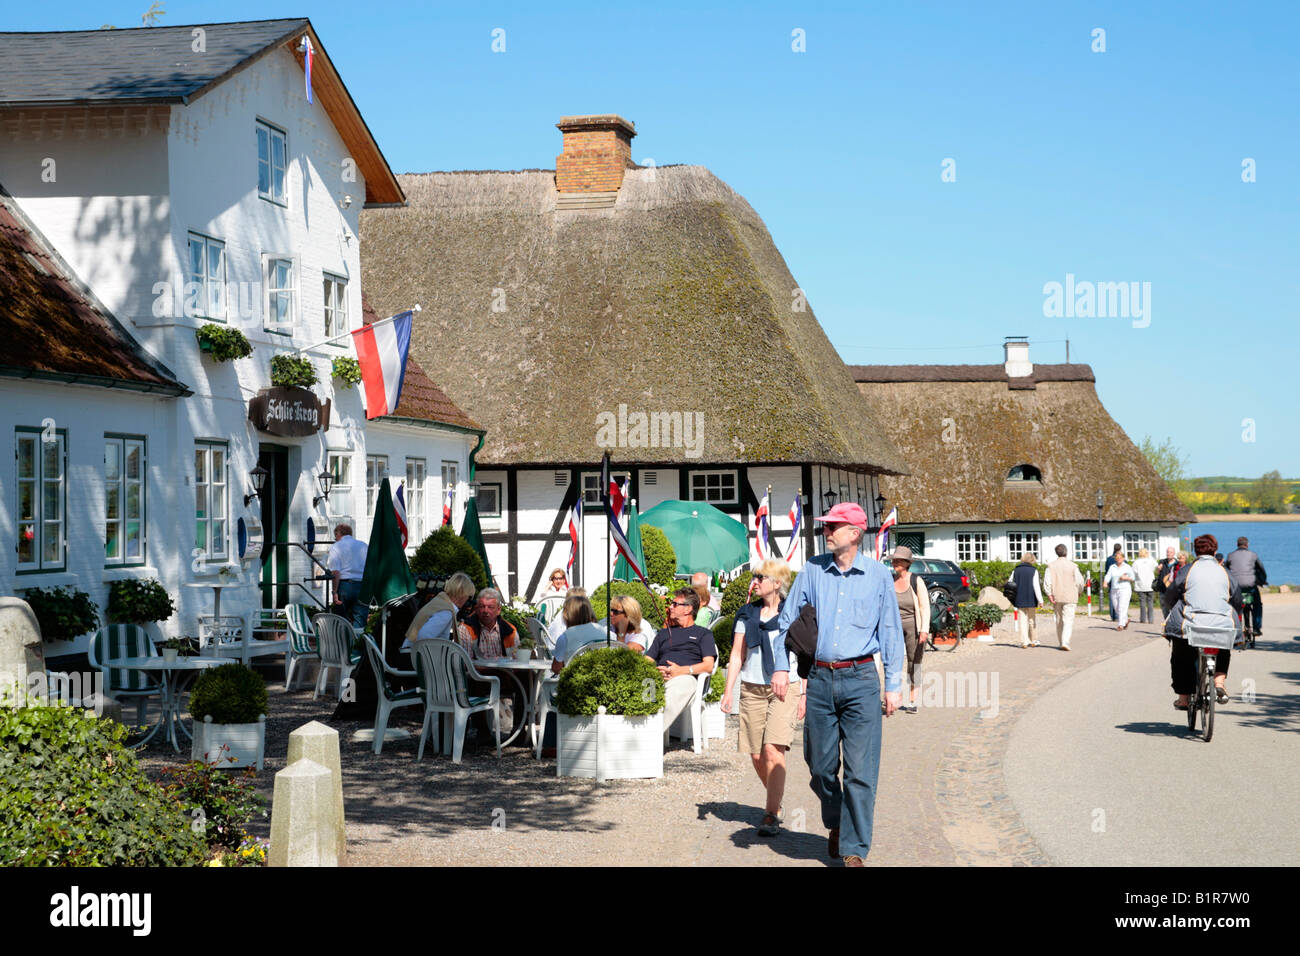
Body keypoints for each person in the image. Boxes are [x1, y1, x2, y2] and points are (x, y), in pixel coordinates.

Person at [775, 502, 903, 867]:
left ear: (854, 533)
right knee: (819, 764)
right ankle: (837, 820)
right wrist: (780, 668)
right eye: (826, 526)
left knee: (861, 771)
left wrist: (892, 684)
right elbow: (787, 621)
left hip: (862, 680)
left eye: (834, 526)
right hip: (818, 679)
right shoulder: (812, 570)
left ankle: (853, 849)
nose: (827, 531)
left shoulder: (879, 576)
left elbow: (891, 631)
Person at [719, 558, 799, 836]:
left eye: (760, 578)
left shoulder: (793, 613)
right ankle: (776, 803)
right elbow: (737, 654)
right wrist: (728, 689)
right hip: (751, 687)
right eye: (754, 577)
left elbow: (805, 653)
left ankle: (769, 814)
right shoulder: (746, 614)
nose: (755, 582)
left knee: (772, 749)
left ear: (777, 584)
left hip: (785, 686)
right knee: (755, 754)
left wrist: (805, 693)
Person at [1163, 534, 1239, 710]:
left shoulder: (1187, 570)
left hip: (1192, 623)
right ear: (1215, 550)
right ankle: (1219, 683)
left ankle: (1183, 698)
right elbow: (1236, 597)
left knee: (1181, 654)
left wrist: (1171, 606)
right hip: (1220, 623)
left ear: (1195, 551)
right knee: (1223, 644)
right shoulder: (1224, 571)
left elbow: (1172, 594)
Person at [644, 588, 718, 747]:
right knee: (643, 686)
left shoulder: (703, 634)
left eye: (675, 604)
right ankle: (637, 731)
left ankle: (649, 737)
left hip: (688, 679)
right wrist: (656, 672)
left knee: (680, 686)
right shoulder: (664, 634)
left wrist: (680, 671)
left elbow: (708, 665)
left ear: (688, 609)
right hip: (660, 677)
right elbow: (648, 660)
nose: (670, 607)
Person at [460, 588, 527, 746]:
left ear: (498, 610)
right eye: (482, 607)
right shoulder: (466, 628)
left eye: (490, 607)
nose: (485, 611)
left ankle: (519, 729)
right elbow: (466, 664)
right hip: (478, 675)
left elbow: (516, 659)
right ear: (476, 609)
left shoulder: (509, 630)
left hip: (504, 676)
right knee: (475, 680)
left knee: (526, 678)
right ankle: (483, 732)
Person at [886, 546, 928, 713]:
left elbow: (925, 607)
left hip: (914, 625)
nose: (894, 563)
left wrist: (924, 629)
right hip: (893, 626)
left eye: (898, 560)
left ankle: (912, 701)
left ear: (907, 563)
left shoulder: (916, 580)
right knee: (892, 661)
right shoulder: (890, 580)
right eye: (893, 560)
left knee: (914, 662)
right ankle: (893, 697)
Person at [402, 571, 476, 651]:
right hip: (415, 657)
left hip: (410, 652)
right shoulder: (446, 611)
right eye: (468, 596)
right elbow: (423, 637)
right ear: (462, 594)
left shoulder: (440, 602)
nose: (467, 600)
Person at [550, 594, 608, 672]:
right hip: (603, 677)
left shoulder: (566, 637)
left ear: (566, 615)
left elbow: (556, 668)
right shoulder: (604, 632)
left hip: (575, 679)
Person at [1043, 544, 1085, 651]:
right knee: (1068, 620)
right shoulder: (1073, 566)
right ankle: (1065, 642)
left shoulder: (1051, 566)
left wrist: (1049, 594)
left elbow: (1047, 582)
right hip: (1070, 595)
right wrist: (1079, 591)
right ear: (1066, 552)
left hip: (1057, 595)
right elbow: (1080, 581)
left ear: (1056, 553)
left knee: (1059, 620)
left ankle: (1061, 642)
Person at [327, 522, 368, 629]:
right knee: (360, 620)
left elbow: (336, 572)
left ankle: (344, 643)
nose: (335, 539)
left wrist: (334, 592)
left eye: (335, 536)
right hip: (362, 586)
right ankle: (357, 643)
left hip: (345, 586)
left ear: (338, 534)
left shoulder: (336, 547)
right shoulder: (363, 545)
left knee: (341, 620)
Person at [1223, 537, 1266, 638]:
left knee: (1232, 605)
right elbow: (1261, 569)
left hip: (1236, 587)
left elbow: (1225, 570)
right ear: (1247, 544)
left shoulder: (1230, 556)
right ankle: (1256, 627)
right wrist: (1262, 580)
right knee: (1257, 604)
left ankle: (1233, 626)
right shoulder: (1253, 555)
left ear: (1237, 544)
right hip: (1250, 586)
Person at [1010, 553, 1043, 647]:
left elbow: (1010, 583)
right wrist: (1040, 600)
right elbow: (1036, 586)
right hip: (1031, 598)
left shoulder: (1016, 570)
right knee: (1032, 620)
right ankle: (1033, 640)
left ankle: (1024, 641)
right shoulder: (1033, 570)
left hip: (1019, 598)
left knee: (1022, 620)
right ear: (1032, 560)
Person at [1103, 551, 1135, 630]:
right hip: (1114, 589)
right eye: (1117, 558)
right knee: (1116, 608)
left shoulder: (1127, 567)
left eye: (1120, 558)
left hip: (1125, 589)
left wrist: (1126, 578)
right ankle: (1126, 620)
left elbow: (1133, 578)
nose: (1118, 559)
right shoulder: (1112, 567)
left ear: (1123, 558)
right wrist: (1105, 582)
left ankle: (1121, 625)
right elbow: (1108, 575)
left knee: (1121, 607)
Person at [1131, 547, 1159, 625]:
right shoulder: (1151, 561)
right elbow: (1157, 567)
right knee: (1150, 602)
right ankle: (1151, 619)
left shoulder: (1136, 562)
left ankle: (1143, 619)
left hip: (1140, 585)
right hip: (1150, 584)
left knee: (1142, 603)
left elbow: (1134, 572)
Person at [1103, 543, 1122, 621]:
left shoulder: (1109, 559)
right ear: (1120, 549)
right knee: (1119, 598)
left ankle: (1112, 615)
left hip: (1111, 580)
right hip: (1120, 580)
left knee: (1112, 597)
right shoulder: (1122, 559)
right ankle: (1117, 615)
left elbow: (1107, 570)